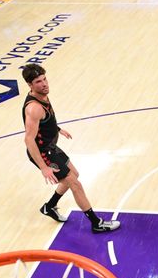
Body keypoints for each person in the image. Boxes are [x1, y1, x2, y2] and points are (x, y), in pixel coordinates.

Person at [21, 63, 120, 233]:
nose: (44, 84)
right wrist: (44, 168)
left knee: (74, 175)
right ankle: (96, 223)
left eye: (45, 79)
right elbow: (29, 140)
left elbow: (44, 123)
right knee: (75, 183)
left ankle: (49, 206)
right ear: (30, 85)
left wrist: (57, 129)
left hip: (50, 147)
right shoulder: (34, 108)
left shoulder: (43, 95)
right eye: (38, 81)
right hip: (43, 153)